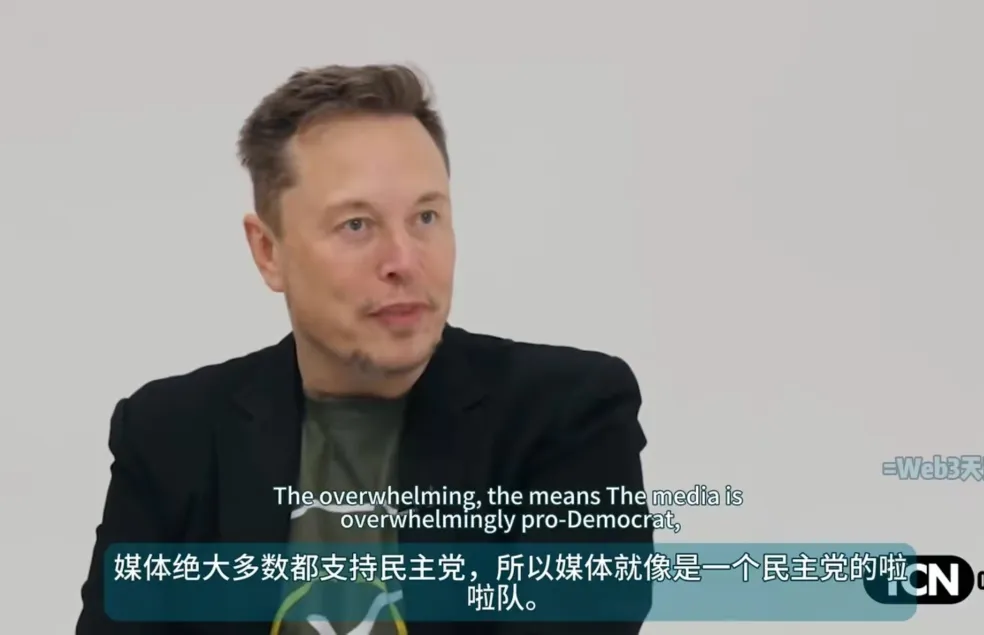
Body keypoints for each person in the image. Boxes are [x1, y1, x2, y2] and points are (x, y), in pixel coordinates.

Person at [76, 64, 653, 635]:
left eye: (426, 216)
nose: (404, 260)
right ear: (268, 251)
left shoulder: (568, 415)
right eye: (357, 225)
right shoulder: (169, 435)